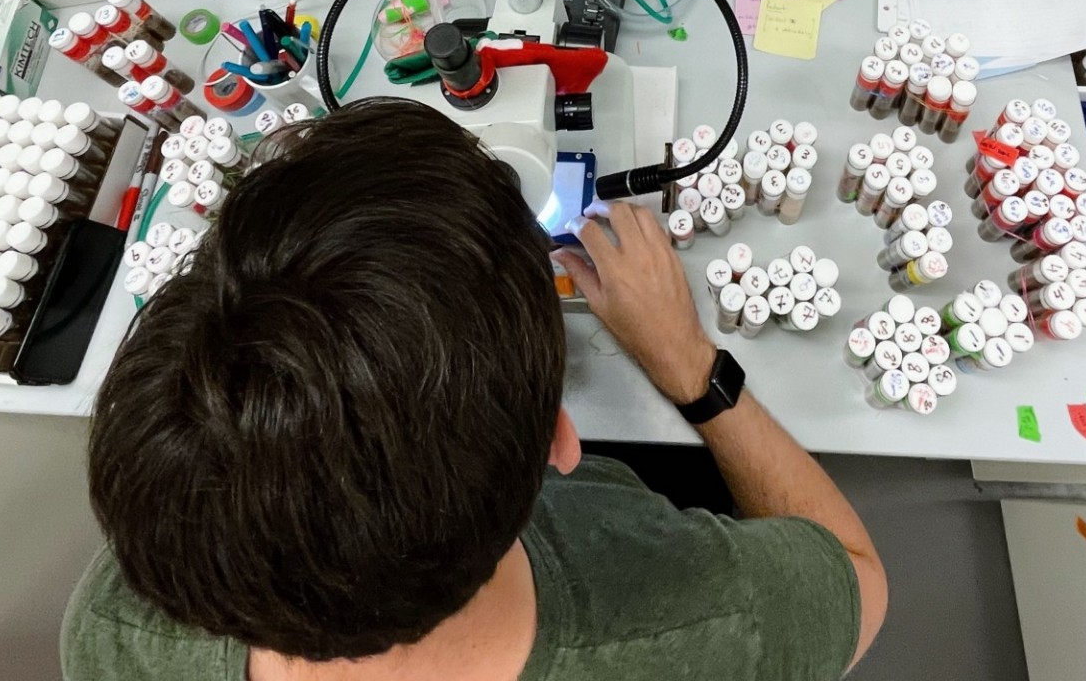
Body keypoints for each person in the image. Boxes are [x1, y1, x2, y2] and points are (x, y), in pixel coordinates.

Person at [65, 98, 888, 681]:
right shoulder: (709, 627)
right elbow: (859, 579)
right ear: (562, 443)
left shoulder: (111, 632)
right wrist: (694, 371)